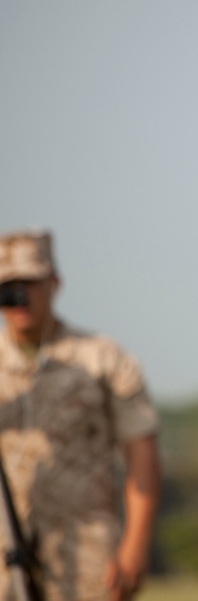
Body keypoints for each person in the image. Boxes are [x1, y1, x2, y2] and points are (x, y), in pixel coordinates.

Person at [0, 229, 160, 601]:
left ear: (54, 282)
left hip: (87, 555)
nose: (19, 296)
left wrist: (134, 546)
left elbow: (141, 451)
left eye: (29, 283)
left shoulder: (102, 359)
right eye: (9, 286)